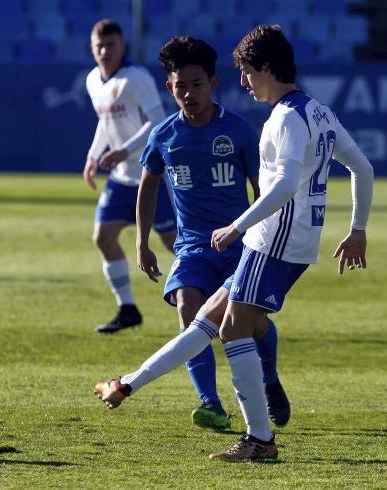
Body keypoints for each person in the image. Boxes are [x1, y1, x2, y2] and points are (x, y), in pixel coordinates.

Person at [95, 24, 374, 461]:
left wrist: (237, 227)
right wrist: (356, 229)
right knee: (205, 321)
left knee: (231, 329)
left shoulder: (286, 118)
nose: (243, 81)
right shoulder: (317, 111)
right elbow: (363, 167)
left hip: (273, 240)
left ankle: (259, 440)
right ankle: (127, 383)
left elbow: (281, 187)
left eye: (246, 71)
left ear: (265, 68)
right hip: (285, 240)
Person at [135, 35, 290, 431]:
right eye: (180, 86)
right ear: (169, 88)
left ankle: (269, 380)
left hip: (242, 247)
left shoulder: (238, 131)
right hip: (192, 248)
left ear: (213, 82)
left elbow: (263, 190)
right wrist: (142, 242)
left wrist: (263, 239)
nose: (189, 93)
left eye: (196, 84)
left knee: (249, 326)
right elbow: (148, 184)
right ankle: (210, 402)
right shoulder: (164, 136)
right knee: (188, 308)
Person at [84, 19, 177, 334]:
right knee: (103, 236)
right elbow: (104, 121)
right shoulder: (93, 81)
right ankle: (127, 308)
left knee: (174, 242)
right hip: (123, 179)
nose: (105, 51)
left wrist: (123, 150)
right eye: (99, 45)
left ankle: (209, 294)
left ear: (122, 46)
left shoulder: (136, 78)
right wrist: (93, 155)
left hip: (152, 175)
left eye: (111, 45)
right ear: (91, 48)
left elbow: (158, 122)